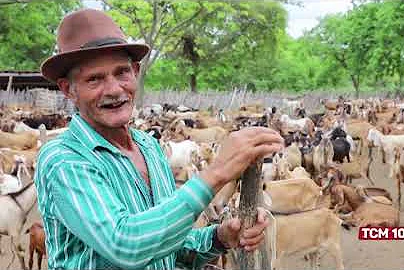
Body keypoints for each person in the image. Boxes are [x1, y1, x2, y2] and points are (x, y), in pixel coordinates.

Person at [35, 8, 284, 270]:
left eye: (121, 72)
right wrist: (217, 172)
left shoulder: (149, 147)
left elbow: (167, 245)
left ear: (135, 71)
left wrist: (220, 237)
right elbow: (125, 246)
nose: (113, 89)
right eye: (94, 79)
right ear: (68, 89)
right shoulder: (63, 159)